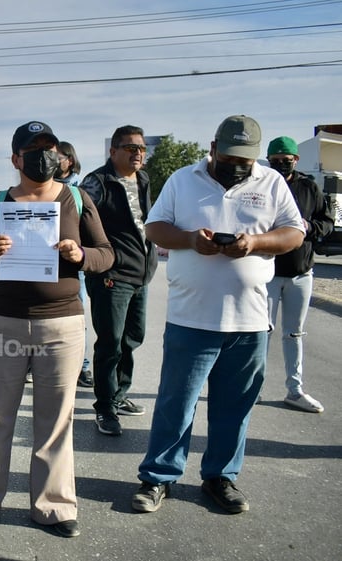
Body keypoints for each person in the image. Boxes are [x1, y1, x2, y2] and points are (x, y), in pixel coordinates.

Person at [132, 115, 305, 515]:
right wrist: (191, 240)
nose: (237, 166)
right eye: (229, 157)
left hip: (249, 322)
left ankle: (220, 478)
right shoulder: (182, 179)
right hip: (191, 317)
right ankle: (158, 477)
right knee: (177, 404)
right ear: (212, 148)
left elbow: (294, 232)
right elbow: (155, 228)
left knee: (234, 406)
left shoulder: (271, 183)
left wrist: (256, 242)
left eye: (245, 160)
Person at [0, 121, 114, 538]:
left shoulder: (77, 200)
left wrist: (80, 254)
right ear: (16, 159)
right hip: (4, 321)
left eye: (49, 147)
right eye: (34, 149)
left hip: (62, 324)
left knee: (56, 420)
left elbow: (106, 255)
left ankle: (54, 506)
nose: (44, 155)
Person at [80, 125, 158, 436]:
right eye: (129, 147)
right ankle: (105, 408)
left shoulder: (144, 179)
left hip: (141, 275)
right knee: (110, 343)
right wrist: (98, 261)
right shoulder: (97, 182)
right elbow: (80, 223)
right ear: (113, 152)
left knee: (131, 339)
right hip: (112, 276)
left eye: (141, 148)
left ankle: (119, 394)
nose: (137, 152)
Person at [265, 136, 334, 413]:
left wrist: (308, 227)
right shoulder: (261, 185)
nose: (281, 165)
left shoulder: (309, 187)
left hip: (300, 273)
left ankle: (294, 390)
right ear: (268, 161)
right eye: (275, 161)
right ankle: (251, 388)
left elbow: (326, 222)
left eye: (286, 160)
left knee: (294, 334)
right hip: (267, 272)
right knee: (261, 333)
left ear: (296, 160)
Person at [55, 141, 93, 388]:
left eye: (57, 156)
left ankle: (83, 366)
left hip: (72, 264)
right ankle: (32, 364)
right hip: (42, 263)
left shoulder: (81, 190)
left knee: (75, 317)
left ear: (70, 160)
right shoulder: (42, 188)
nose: (52, 161)